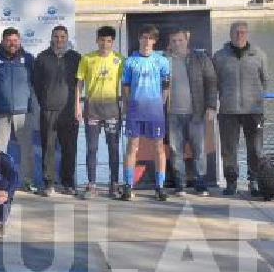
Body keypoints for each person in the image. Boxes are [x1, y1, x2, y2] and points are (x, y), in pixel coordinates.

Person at [213, 21, 268, 197]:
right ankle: (231, 182)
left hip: (254, 112)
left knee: (256, 149)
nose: (240, 35)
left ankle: (254, 181)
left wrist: (256, 99)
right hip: (228, 111)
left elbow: (265, 80)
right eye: (236, 32)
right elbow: (215, 82)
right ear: (230, 34)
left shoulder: (259, 55)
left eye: (243, 32)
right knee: (229, 149)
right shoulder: (220, 56)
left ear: (248, 34)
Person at [121, 24, 171, 201]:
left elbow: (166, 85)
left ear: (155, 41)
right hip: (135, 110)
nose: (146, 41)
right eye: (144, 37)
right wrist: (129, 105)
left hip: (155, 111)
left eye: (150, 38)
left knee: (159, 148)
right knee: (132, 147)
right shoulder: (130, 61)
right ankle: (128, 186)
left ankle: (160, 186)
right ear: (139, 39)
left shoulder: (162, 61)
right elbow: (125, 87)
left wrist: (160, 103)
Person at [166, 27, 217, 196]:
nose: (177, 43)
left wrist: (211, 106)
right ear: (169, 43)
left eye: (180, 40)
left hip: (196, 113)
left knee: (199, 150)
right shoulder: (164, 60)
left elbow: (211, 82)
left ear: (187, 40)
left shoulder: (200, 58)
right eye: (173, 41)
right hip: (172, 114)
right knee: (175, 151)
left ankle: (200, 183)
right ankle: (180, 185)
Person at [0, 27, 36, 193]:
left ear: (19, 41)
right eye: (8, 40)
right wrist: (1, 96)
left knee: (26, 147)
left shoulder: (28, 59)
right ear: (3, 41)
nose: (12, 43)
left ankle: (27, 180)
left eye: (15, 40)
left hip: (23, 111)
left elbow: (34, 81)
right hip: (1, 111)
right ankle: (0, 180)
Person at [76, 26, 124, 198]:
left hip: (112, 111)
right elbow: (80, 84)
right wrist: (77, 105)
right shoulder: (87, 58)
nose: (105, 44)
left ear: (113, 42)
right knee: (92, 148)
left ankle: (114, 184)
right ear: (97, 40)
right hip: (92, 111)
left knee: (113, 148)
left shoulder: (119, 59)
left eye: (109, 41)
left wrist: (125, 105)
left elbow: (125, 85)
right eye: (102, 40)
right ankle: (91, 184)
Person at [34, 25, 81, 196]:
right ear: (51, 38)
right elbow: (36, 84)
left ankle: (68, 183)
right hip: (48, 111)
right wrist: (45, 101)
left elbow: (79, 84)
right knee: (48, 148)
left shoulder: (76, 58)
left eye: (62, 36)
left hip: (69, 111)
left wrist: (77, 107)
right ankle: (49, 184)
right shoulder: (42, 58)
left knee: (69, 149)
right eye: (56, 36)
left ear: (67, 38)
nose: (59, 40)